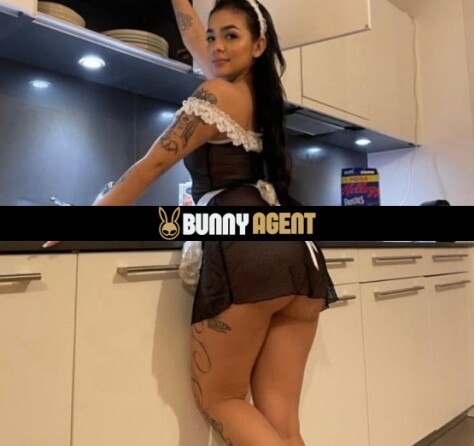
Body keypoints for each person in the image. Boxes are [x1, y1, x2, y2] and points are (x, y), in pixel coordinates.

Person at [45, 1, 339, 445]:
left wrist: (85, 221)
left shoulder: (216, 95)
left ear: (258, 45)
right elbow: (193, 38)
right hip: (297, 254)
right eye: (213, 35)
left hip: (249, 253)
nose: (215, 46)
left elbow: (150, 166)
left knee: (221, 400)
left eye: (230, 36)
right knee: (284, 425)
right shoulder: (261, 95)